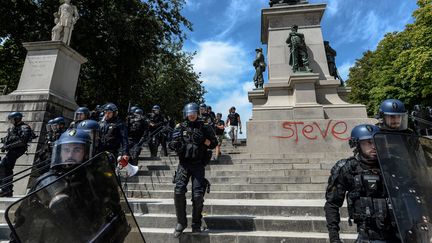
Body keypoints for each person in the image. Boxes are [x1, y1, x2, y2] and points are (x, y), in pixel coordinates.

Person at [324, 124, 401, 243]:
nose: (374, 146)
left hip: (398, 233)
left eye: (376, 142)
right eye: (367, 143)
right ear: (357, 145)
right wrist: (334, 238)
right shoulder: (347, 169)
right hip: (367, 236)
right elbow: (332, 204)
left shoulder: (392, 166)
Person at [169, 103, 217, 237]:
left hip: (198, 165)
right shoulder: (180, 126)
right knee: (178, 191)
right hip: (183, 164)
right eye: (190, 113)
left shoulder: (205, 126)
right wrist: (174, 145)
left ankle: (196, 223)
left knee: (197, 196)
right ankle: (181, 223)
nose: (192, 115)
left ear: (197, 113)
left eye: (194, 113)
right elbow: (172, 143)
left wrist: (203, 140)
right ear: (186, 114)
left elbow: (214, 143)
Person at [0, 112, 35, 197]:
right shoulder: (14, 128)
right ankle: (6, 189)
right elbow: (9, 138)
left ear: (17, 119)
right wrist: (4, 141)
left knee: (4, 165)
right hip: (12, 149)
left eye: (12, 119)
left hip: (18, 150)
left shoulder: (25, 127)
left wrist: (7, 146)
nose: (11, 121)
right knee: (5, 167)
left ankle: (6, 189)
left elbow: (22, 141)